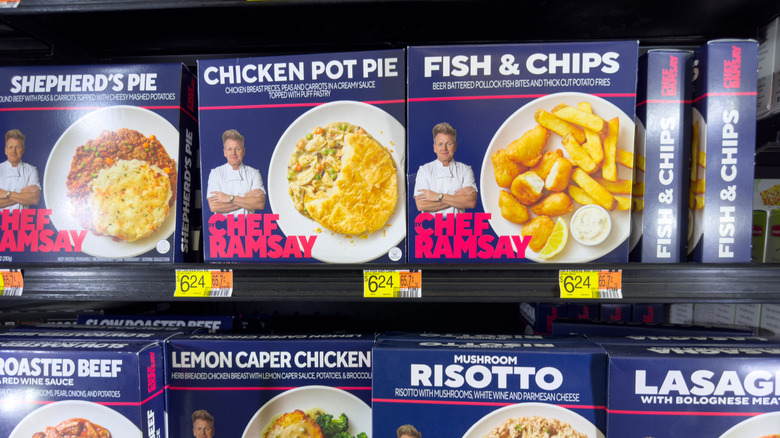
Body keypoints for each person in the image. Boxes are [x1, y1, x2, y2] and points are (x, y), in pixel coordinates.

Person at [413, 122, 477, 214]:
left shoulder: (465, 170)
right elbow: (421, 205)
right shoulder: (424, 170)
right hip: (431, 226)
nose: (444, 148)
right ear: (434, 148)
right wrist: (457, 197)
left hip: (458, 226)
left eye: (449, 144)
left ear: (455, 146)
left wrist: (437, 196)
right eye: (440, 144)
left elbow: (471, 202)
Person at [207, 129, 266, 215]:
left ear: (244, 151)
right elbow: (214, 206)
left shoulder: (254, 173)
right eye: (230, 149)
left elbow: (260, 204)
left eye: (237, 149)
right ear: (225, 152)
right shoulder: (216, 173)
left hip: (248, 226)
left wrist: (229, 198)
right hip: (223, 226)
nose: (233, 153)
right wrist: (246, 199)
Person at [0, 129, 40, 211]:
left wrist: (7, 194)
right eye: (11, 147)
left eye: (18, 147)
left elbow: (35, 199)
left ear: (23, 150)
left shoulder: (31, 170)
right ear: (5, 150)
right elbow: (29, 198)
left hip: (23, 221)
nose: (14, 151)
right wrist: (23, 195)